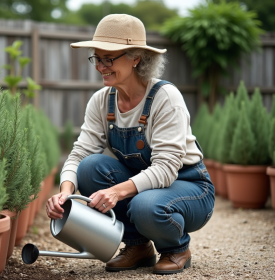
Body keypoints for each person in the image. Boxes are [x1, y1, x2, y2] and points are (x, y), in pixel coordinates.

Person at [46, 14, 215, 275]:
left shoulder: (165, 97)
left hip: (190, 187)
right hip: (145, 186)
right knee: (90, 168)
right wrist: (65, 191)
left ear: (136, 58)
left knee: (145, 205)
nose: (101, 66)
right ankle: (138, 247)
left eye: (109, 59)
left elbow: (167, 168)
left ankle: (177, 249)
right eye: (97, 58)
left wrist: (116, 192)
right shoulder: (102, 101)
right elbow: (80, 153)